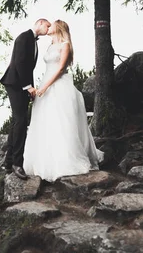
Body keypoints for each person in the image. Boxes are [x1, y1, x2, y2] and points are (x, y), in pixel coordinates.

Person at [23, 19, 104, 182]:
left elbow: (60, 68)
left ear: (58, 28)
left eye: (51, 25)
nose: (48, 27)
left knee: (62, 122)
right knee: (45, 122)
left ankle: (65, 161)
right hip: (45, 83)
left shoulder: (65, 44)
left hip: (58, 86)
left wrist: (45, 86)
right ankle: (45, 160)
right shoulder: (50, 46)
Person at [0, 18, 51, 180]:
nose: (48, 29)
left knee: (17, 121)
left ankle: (8, 162)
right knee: (21, 121)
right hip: (15, 83)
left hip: (19, 83)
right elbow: (20, 63)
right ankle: (17, 163)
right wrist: (27, 86)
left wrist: (29, 87)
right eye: (47, 26)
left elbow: (28, 68)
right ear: (40, 23)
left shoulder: (32, 40)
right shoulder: (24, 37)